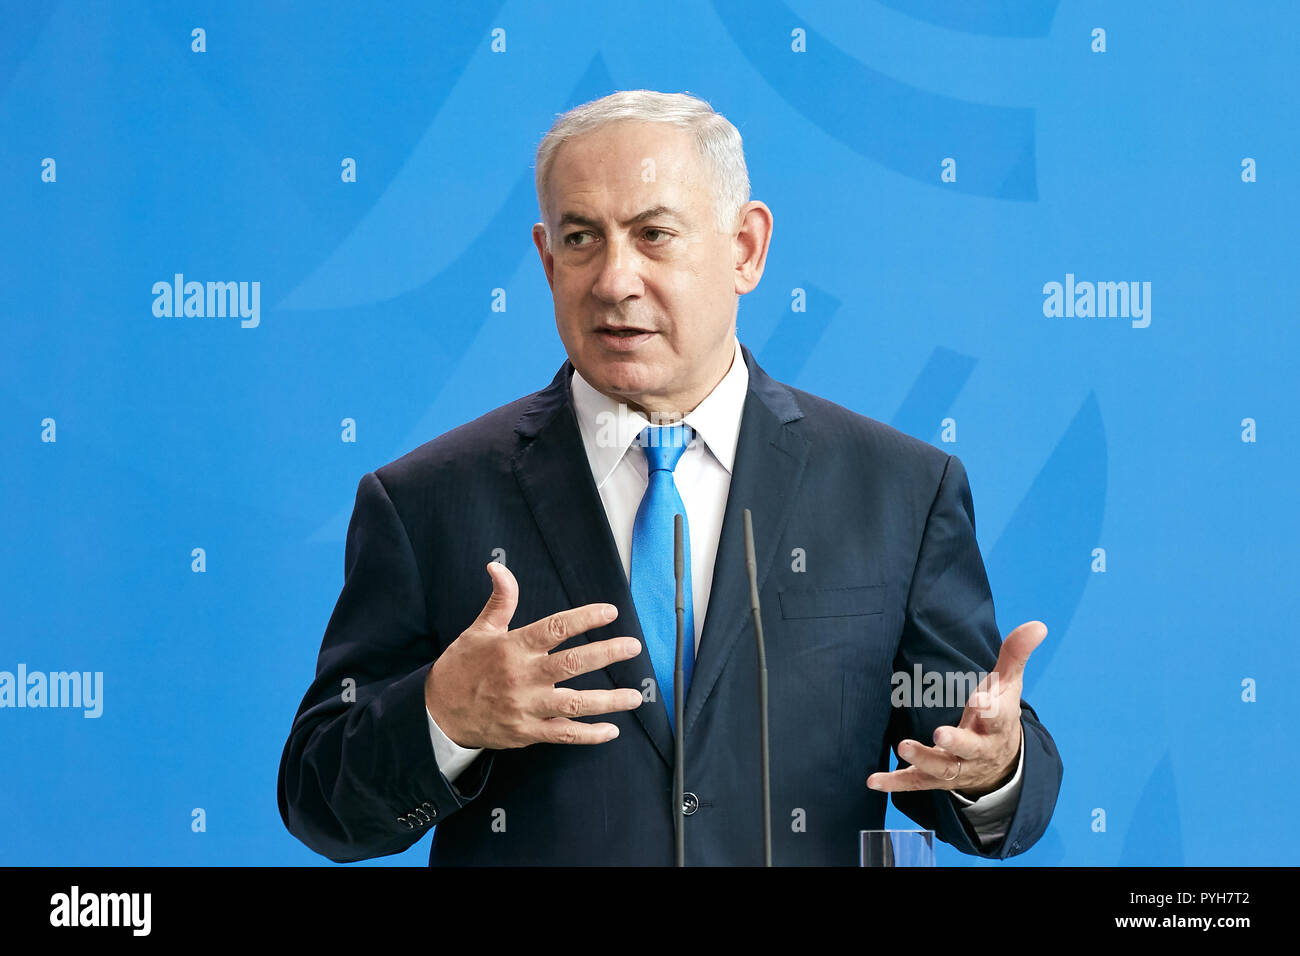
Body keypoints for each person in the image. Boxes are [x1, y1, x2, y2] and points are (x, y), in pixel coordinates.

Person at [277, 90, 1062, 866]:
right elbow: (322, 803)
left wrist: (992, 770)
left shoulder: (901, 490)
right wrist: (444, 716)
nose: (615, 280)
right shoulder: (425, 501)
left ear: (746, 250)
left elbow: (960, 755)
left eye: (654, 234)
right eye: (582, 238)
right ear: (548, 261)